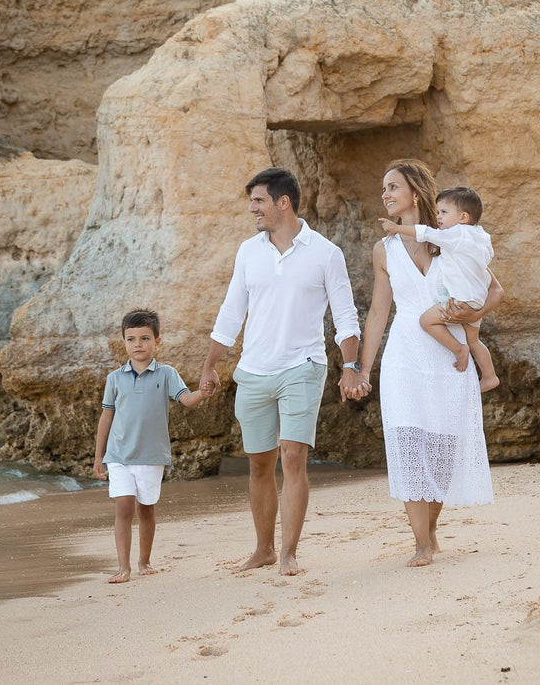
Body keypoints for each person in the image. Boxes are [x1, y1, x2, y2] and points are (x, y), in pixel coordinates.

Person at [201, 167, 363, 576]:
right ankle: (264, 549)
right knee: (259, 464)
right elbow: (230, 313)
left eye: (258, 200)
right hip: (254, 371)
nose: (252, 208)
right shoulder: (248, 252)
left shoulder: (326, 253)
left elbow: (346, 316)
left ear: (282, 202)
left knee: (292, 457)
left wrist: (350, 366)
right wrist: (209, 365)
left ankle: (289, 552)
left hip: (303, 366)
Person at [357, 159, 500, 566]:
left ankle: (430, 529)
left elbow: (496, 291)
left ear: (414, 194)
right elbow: (378, 314)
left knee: (442, 450)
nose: (384, 195)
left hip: (450, 358)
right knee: (407, 444)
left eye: (392, 187)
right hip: (404, 357)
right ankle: (421, 542)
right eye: (383, 188)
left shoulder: (451, 239)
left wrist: (470, 318)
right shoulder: (382, 251)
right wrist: (362, 368)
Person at [93, 308, 216, 584]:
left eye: (145, 338)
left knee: (146, 509)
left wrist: (203, 393)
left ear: (157, 341)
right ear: (123, 342)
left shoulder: (167, 374)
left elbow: (185, 399)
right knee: (123, 507)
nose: (138, 344)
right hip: (119, 454)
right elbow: (106, 416)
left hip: (151, 456)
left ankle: (144, 560)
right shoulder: (115, 378)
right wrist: (98, 456)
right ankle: (123, 568)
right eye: (132, 339)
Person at [379, 186, 500, 392]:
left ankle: (458, 349)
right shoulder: (479, 236)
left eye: (444, 212)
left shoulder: (455, 235)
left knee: (426, 321)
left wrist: (397, 228)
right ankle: (489, 376)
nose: (438, 217)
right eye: (437, 212)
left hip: (460, 301)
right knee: (474, 340)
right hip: (476, 301)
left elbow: (424, 233)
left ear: (463, 217)